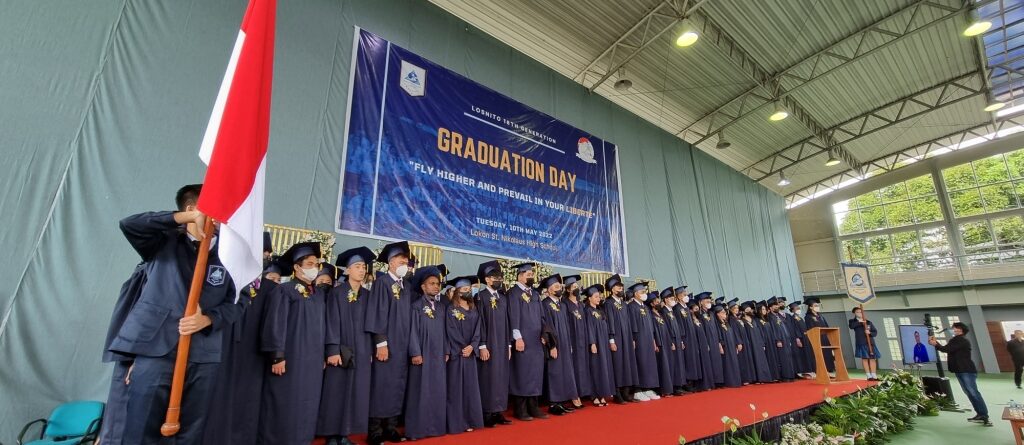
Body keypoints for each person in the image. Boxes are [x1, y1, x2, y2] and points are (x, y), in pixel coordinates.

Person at [106, 184, 243, 444]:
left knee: (190, 433)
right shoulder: (163, 242)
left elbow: (240, 301)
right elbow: (130, 224)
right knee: (140, 428)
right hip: (156, 349)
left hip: (203, 352)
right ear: (192, 209)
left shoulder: (231, 255)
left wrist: (209, 318)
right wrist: (184, 218)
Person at [203, 258, 284, 444]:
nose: (264, 257)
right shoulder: (230, 280)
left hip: (254, 351)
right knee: (220, 394)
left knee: (249, 400)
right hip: (225, 345)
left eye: (267, 254)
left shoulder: (271, 289)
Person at [259, 242, 329, 445]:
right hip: (290, 358)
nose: (314, 267)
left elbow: (322, 327)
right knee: (285, 403)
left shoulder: (317, 294)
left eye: (316, 263)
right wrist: (277, 356)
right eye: (309, 263)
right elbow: (275, 323)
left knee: (307, 404)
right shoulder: (284, 291)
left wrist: (323, 355)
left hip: (312, 361)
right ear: (297, 267)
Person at [316, 246, 376, 445]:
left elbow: (371, 326)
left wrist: (369, 350)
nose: (362, 270)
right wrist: (332, 350)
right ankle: (332, 435)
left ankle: (345, 434)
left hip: (361, 350)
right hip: (341, 350)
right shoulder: (337, 293)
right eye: (357, 266)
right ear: (347, 270)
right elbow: (331, 321)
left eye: (364, 267)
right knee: (336, 392)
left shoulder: (368, 296)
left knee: (355, 392)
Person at [365, 241, 414, 444]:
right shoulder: (382, 283)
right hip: (387, 345)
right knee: (381, 386)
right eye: (401, 260)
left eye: (406, 261)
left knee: (397, 385)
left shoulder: (406, 286)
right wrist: (381, 343)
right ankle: (375, 430)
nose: (405, 264)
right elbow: (377, 314)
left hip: (402, 346)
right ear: (391, 262)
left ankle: (391, 427)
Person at [404, 266, 448, 440]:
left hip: (438, 355)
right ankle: (416, 430)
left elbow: (445, 331)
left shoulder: (442, 307)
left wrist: (446, 350)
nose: (436, 287)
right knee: (419, 392)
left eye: (437, 284)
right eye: (431, 284)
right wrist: (415, 352)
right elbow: (412, 331)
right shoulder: (416, 306)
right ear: (423, 287)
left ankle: (435, 428)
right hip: (422, 355)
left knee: (436, 391)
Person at [507, 262, 549, 421]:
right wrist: (517, 337)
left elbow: (542, 316)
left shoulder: (535, 294)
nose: (531, 276)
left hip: (536, 340)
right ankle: (521, 409)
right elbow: (513, 316)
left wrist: (544, 334)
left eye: (532, 274)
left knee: (535, 373)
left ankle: (534, 406)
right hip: (523, 339)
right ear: (520, 275)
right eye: (528, 274)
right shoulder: (513, 293)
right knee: (522, 373)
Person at [929, 322, 991, 426]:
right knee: (969, 392)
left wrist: (936, 344)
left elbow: (947, 349)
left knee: (973, 392)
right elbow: (946, 349)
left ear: (960, 330)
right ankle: (980, 414)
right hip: (960, 370)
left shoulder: (961, 340)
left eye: (954, 328)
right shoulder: (955, 340)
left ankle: (984, 415)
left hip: (966, 370)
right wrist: (936, 344)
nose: (952, 329)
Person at [475, 260, 513, 427]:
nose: (498, 280)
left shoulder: (503, 299)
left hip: (503, 344)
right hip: (489, 343)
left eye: (500, 277)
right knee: (488, 377)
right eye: (495, 277)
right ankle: (487, 412)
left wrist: (509, 345)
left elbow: (508, 321)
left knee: (501, 377)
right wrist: (482, 344)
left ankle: (498, 411)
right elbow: (479, 322)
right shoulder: (480, 297)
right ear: (487, 279)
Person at [446, 275, 484, 434]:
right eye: (464, 290)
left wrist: (473, 346)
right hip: (458, 354)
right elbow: (451, 331)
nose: (468, 292)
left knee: (470, 389)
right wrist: (463, 347)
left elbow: (478, 329)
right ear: (457, 292)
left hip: (470, 354)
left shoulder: (474, 308)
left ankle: (471, 420)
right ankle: (457, 423)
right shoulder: (451, 310)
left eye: (469, 289)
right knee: (456, 389)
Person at [539, 274, 579, 415]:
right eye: (556, 287)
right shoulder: (545, 304)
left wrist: (569, 344)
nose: (559, 289)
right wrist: (552, 346)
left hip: (565, 343)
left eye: (559, 286)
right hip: (554, 344)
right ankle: (553, 403)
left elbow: (567, 326)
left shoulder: (561, 305)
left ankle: (561, 401)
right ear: (549, 290)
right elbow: (546, 327)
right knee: (554, 372)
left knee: (564, 372)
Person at [602, 274, 638, 403]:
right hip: (616, 338)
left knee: (627, 363)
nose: (621, 290)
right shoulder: (608, 303)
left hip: (627, 338)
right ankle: (617, 394)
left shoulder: (623, 304)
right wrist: (611, 340)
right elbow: (609, 323)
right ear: (612, 289)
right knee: (618, 364)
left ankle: (627, 393)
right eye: (618, 288)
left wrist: (632, 339)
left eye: (622, 287)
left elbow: (628, 322)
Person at [627, 282, 660, 401]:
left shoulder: (645, 307)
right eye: (642, 292)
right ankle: (638, 390)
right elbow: (632, 324)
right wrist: (633, 338)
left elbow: (651, 325)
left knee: (649, 363)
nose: (644, 294)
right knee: (640, 362)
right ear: (636, 294)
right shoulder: (631, 306)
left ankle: (648, 388)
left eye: (645, 292)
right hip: (639, 339)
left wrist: (653, 340)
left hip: (648, 338)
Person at [563, 275, 591, 409]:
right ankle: (574, 395)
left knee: (583, 366)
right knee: (573, 367)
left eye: (577, 286)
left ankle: (582, 392)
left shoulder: (580, 304)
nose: (576, 289)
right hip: (572, 340)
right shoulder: (565, 304)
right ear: (568, 289)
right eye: (573, 287)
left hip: (582, 340)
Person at [583, 284, 614, 406]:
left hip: (603, 343)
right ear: (589, 298)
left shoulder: (600, 312)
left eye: (599, 297)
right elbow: (589, 328)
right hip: (595, 343)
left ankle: (602, 394)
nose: (598, 298)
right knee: (595, 368)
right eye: (596, 296)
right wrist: (592, 343)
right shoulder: (587, 311)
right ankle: (594, 395)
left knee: (603, 368)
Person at [648, 292, 676, 397]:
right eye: (656, 302)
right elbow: (653, 331)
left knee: (668, 365)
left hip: (666, 342)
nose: (659, 303)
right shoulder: (651, 315)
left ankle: (670, 388)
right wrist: (655, 343)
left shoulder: (661, 314)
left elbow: (666, 329)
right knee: (662, 366)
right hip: (659, 343)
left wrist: (670, 342)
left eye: (659, 301)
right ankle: (663, 390)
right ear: (652, 304)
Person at [803, 298, 835, 374]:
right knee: (820, 354)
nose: (817, 307)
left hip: (825, 338)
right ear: (810, 307)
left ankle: (829, 369)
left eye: (818, 305)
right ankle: (821, 371)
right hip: (817, 338)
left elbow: (827, 327)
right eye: (815, 305)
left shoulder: (821, 316)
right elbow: (810, 329)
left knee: (827, 353)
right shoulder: (808, 317)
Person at [715, 303, 743, 388]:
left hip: (731, 345)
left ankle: (736, 381)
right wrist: (721, 346)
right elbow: (719, 336)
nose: (725, 314)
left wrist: (735, 345)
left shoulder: (726, 323)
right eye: (722, 312)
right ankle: (730, 382)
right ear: (718, 314)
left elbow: (732, 334)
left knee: (734, 363)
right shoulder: (718, 324)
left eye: (725, 312)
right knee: (728, 364)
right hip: (725, 346)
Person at [848, 307, 880, 381]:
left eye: (861, 312)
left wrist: (870, 333)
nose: (859, 313)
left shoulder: (868, 322)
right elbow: (851, 326)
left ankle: (874, 375)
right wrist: (860, 322)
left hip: (870, 343)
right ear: (854, 313)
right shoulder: (852, 321)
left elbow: (875, 332)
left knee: (872, 359)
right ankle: (868, 376)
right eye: (858, 312)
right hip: (861, 342)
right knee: (865, 358)